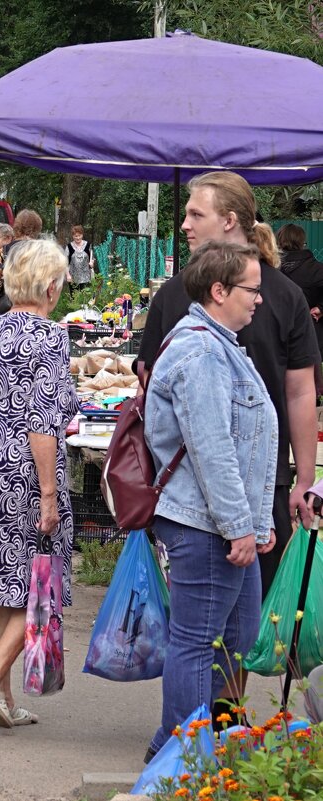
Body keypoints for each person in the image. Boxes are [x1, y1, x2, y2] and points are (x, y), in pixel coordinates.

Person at [136, 171, 319, 598]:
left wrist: (304, 478)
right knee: (199, 628)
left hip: (262, 484)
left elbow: (301, 391)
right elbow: (148, 387)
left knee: (243, 625)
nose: (185, 225)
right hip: (186, 494)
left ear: (230, 220)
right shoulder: (174, 294)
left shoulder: (286, 295)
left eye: (196, 214)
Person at [142, 240, 277, 760]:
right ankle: (178, 755)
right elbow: (213, 450)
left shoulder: (220, 346)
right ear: (219, 291)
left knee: (235, 638)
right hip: (207, 526)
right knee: (198, 644)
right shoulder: (201, 352)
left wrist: (254, 522)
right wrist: (239, 525)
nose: (259, 300)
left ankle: (205, 746)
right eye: (251, 290)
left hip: (224, 523)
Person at [0, 239, 78, 728]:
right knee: (41, 584)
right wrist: (49, 494)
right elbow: (42, 424)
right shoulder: (49, 337)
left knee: (2, 582)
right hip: (25, 474)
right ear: (49, 286)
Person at [276, 223, 323, 358]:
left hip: (275, 333)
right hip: (310, 335)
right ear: (302, 242)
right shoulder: (316, 269)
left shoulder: (269, 268)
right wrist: (320, 308)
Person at [65, 224, 95, 292]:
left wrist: (92, 263)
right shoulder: (69, 247)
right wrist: (67, 275)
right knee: (74, 299)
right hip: (73, 278)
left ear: (82, 235)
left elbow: (92, 258)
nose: (78, 238)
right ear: (73, 236)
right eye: (76, 236)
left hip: (86, 278)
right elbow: (65, 263)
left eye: (79, 235)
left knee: (85, 298)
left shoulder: (88, 245)